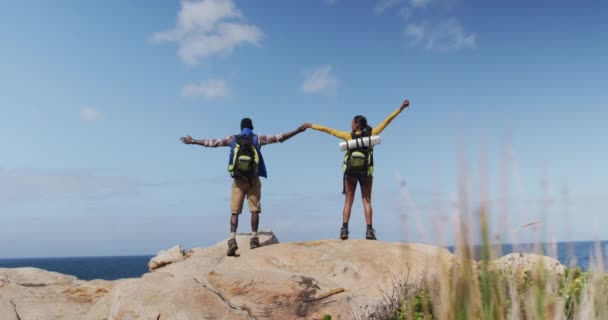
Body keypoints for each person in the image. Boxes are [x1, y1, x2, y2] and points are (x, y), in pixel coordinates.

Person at [181, 118, 306, 256]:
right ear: (251, 127)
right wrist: (298, 130)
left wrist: (193, 141)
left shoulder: (232, 139)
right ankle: (253, 239)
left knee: (235, 212)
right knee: (254, 210)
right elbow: (279, 138)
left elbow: (213, 143)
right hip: (253, 180)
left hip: (238, 181)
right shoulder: (258, 139)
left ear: (241, 128)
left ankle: (233, 240)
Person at [302, 99, 410, 240]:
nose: (350, 124)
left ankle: (344, 230)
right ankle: (369, 231)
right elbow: (387, 121)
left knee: (348, 201)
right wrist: (400, 109)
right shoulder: (372, 134)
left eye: (352, 122)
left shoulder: (348, 136)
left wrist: (311, 125)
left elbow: (329, 130)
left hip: (350, 173)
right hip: (366, 172)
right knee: (367, 201)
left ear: (357, 124)